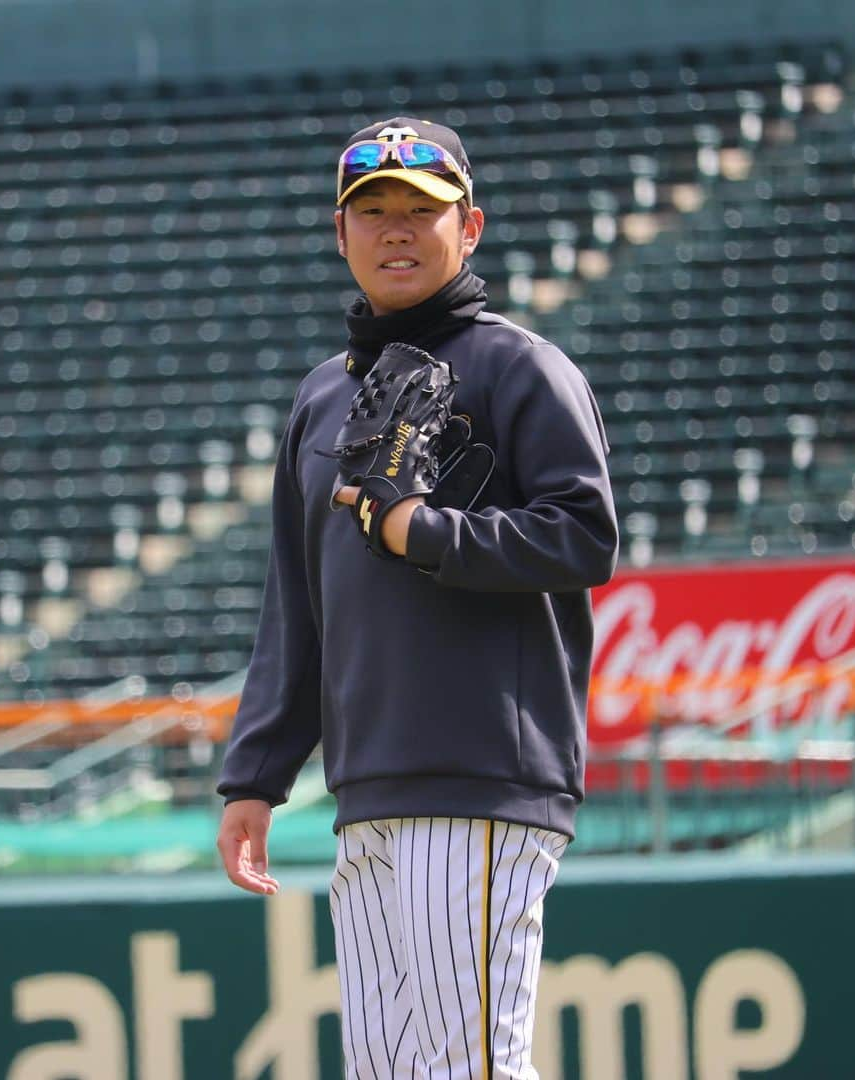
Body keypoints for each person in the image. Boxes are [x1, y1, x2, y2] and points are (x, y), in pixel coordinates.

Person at [216, 116, 618, 1078]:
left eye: (422, 211)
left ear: (469, 227)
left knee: (470, 1063)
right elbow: (297, 600)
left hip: (481, 770)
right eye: (376, 212)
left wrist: (424, 530)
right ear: (340, 232)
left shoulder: (522, 368)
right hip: (369, 785)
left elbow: (585, 535)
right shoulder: (322, 398)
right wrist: (255, 774)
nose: (397, 230)